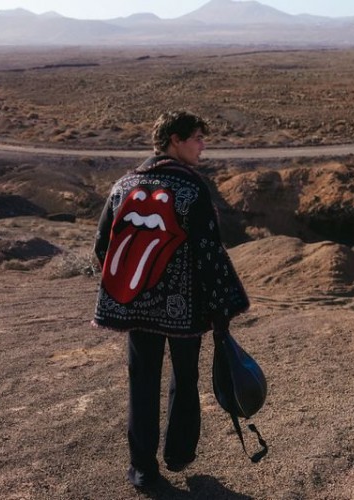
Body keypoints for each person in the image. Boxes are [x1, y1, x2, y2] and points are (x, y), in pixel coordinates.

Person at [92, 110, 249, 489]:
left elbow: (102, 247)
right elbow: (209, 252)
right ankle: (178, 453)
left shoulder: (124, 185)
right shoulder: (192, 188)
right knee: (185, 376)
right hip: (185, 306)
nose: (202, 146)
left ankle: (143, 469)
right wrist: (220, 308)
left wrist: (130, 287)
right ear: (175, 141)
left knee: (142, 381)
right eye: (197, 138)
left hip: (135, 303)